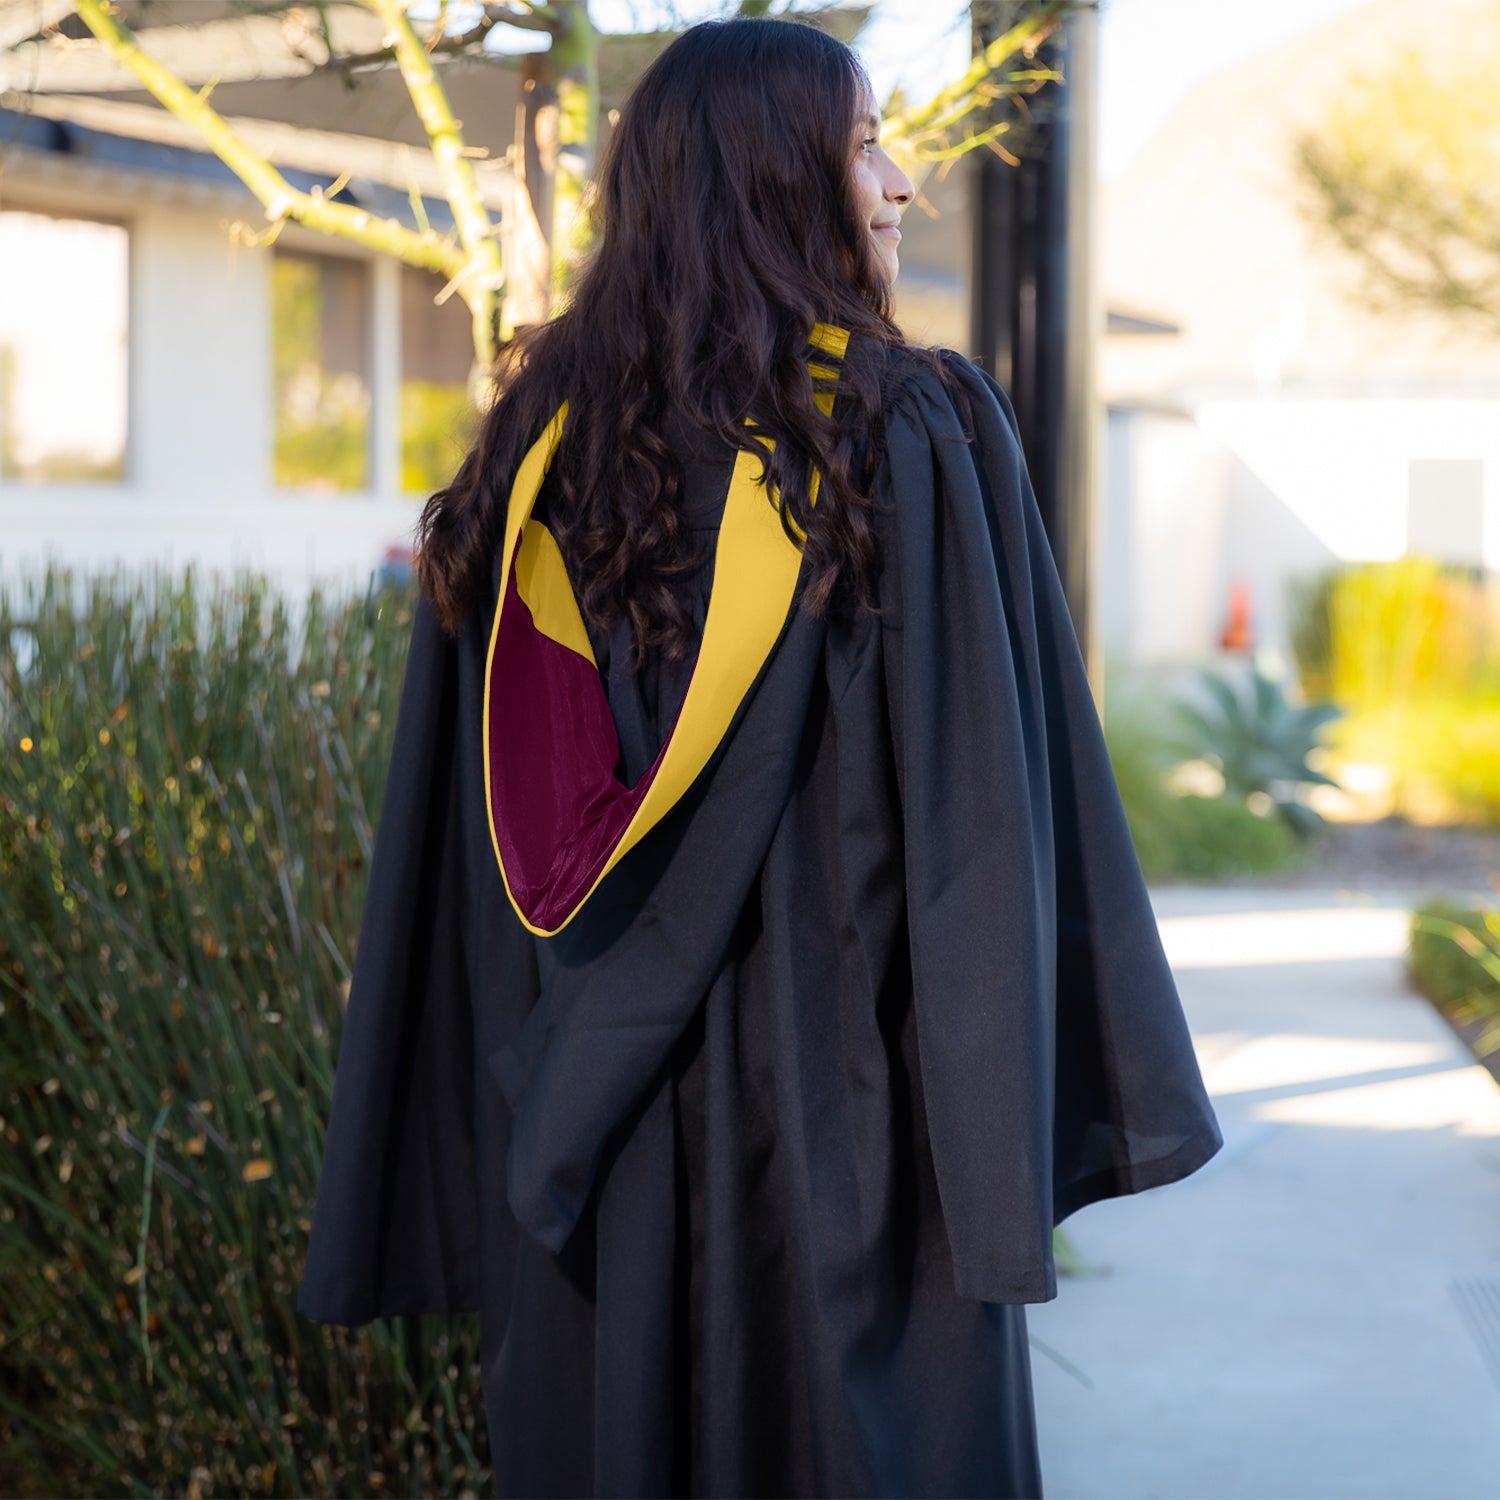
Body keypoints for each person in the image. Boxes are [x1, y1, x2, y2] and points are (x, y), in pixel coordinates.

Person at [296, 16, 1224, 1500]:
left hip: (588, 1149)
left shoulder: (532, 458)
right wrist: (993, 1177)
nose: (902, 182)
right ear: (772, 179)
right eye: (864, 143)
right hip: (844, 1152)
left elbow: (471, 876)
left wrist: (510, 1129)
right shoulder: (905, 431)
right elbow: (984, 832)